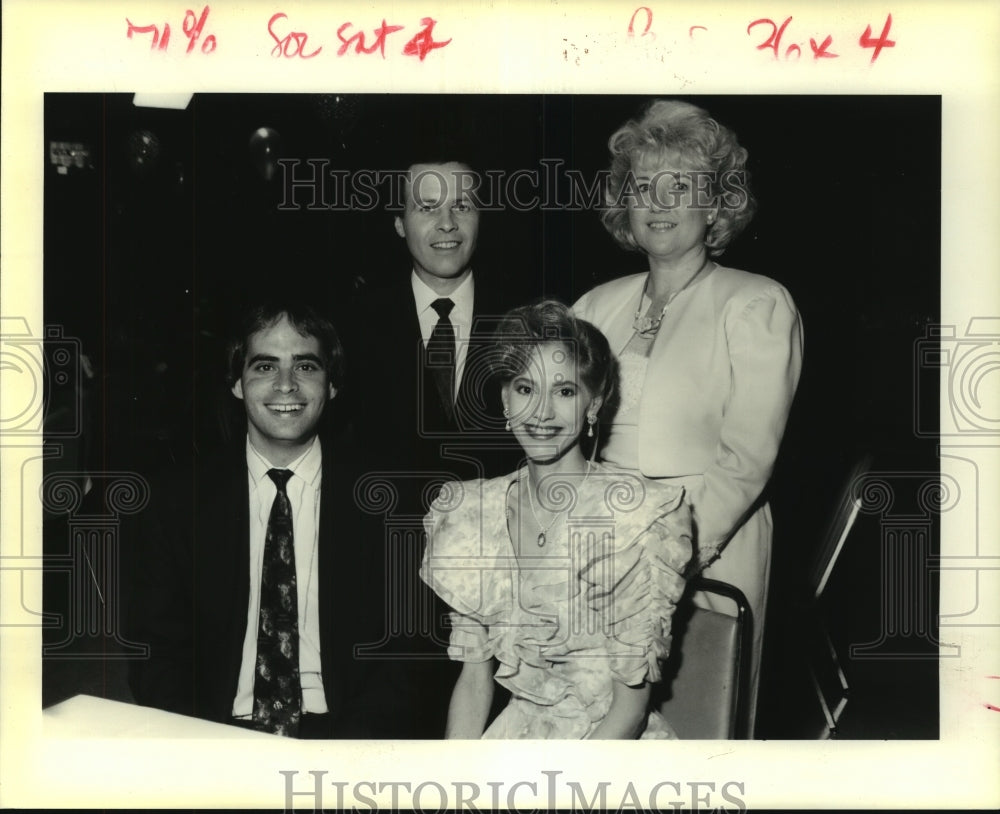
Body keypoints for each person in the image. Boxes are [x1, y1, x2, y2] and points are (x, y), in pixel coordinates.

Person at [573, 99, 804, 735]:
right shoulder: (594, 304)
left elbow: (746, 460)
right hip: (595, 552)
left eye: (682, 186)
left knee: (690, 740)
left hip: (706, 553)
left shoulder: (756, 303)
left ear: (717, 204)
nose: (659, 201)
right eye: (644, 186)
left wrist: (667, 560)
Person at [128, 302, 402, 738]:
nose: (286, 385)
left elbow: (404, 662)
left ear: (331, 386)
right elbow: (155, 653)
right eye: (265, 366)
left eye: (306, 366)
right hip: (216, 734)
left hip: (347, 736)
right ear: (237, 383)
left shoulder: (387, 502)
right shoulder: (175, 500)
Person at [420, 301, 692, 739]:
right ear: (505, 397)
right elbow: (473, 684)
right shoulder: (470, 513)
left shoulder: (637, 517)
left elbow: (630, 709)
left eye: (564, 392)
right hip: (516, 737)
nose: (541, 413)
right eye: (526, 388)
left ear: (594, 403)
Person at [343, 158, 519, 737]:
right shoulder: (349, 324)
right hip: (380, 600)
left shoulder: (528, 319)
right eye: (427, 207)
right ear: (398, 222)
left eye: (462, 206)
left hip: (498, 599)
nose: (447, 224)